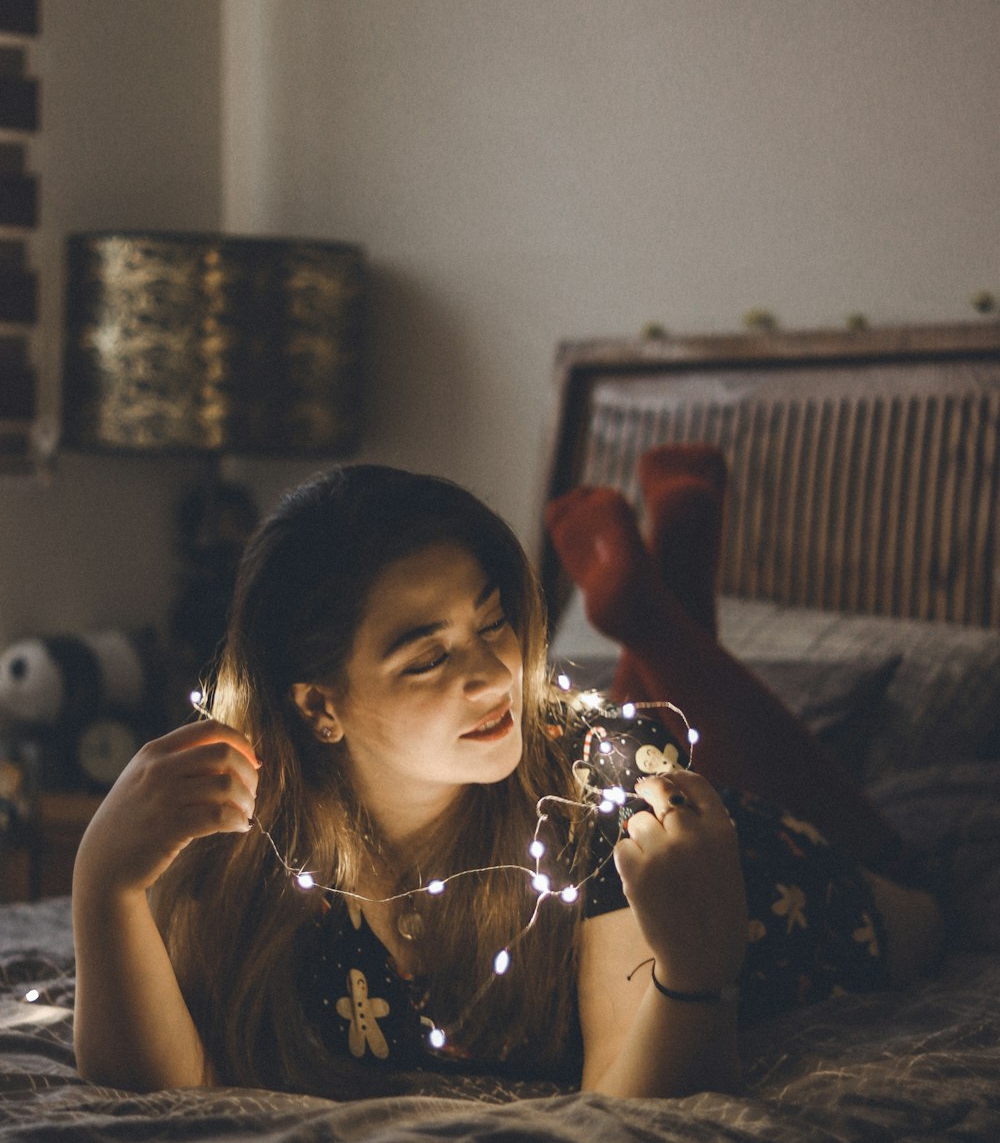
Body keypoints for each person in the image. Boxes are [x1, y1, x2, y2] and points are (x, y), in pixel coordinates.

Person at [72, 461, 943, 1102]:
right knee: (618, 726)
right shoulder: (255, 844)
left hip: (780, 881)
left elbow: (634, 1109)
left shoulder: (607, 795)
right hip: (605, 777)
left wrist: (698, 967)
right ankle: (665, 604)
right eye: (428, 658)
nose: (494, 674)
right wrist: (101, 882)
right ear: (318, 706)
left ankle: (662, 614)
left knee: (664, 752)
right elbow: (173, 1090)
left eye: (495, 624)